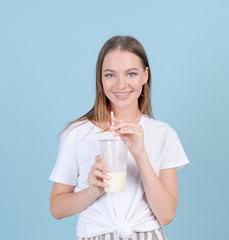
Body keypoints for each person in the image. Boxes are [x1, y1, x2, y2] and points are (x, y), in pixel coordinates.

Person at [49, 35, 189, 240]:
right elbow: (56, 208)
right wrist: (93, 191)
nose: (120, 85)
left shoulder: (163, 134)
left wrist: (140, 156)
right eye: (110, 75)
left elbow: (166, 215)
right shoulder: (78, 134)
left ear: (145, 75)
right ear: (100, 78)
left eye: (131, 74)